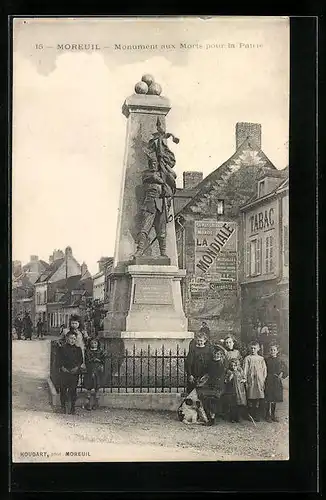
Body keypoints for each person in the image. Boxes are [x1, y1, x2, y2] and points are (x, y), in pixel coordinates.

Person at [196, 344, 227, 425]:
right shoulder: (210, 362)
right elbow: (207, 373)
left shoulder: (222, 363)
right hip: (210, 383)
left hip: (218, 385)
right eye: (215, 353)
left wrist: (219, 345)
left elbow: (221, 374)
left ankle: (212, 418)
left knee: (213, 401)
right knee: (207, 400)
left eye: (218, 354)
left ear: (220, 355)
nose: (216, 355)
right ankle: (209, 418)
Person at [57, 330, 83, 414]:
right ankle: (63, 407)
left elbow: (80, 360)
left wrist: (77, 367)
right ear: (67, 338)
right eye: (71, 338)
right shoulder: (62, 348)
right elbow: (58, 359)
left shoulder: (78, 349)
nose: (72, 340)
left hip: (74, 372)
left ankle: (72, 408)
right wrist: (62, 367)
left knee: (73, 390)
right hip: (64, 372)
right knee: (63, 390)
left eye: (74, 339)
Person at [243, 340, 267, 422]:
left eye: (254, 348)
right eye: (251, 348)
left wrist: (263, 379)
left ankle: (257, 414)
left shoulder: (261, 358)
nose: (253, 350)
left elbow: (264, 370)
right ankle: (251, 414)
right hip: (251, 380)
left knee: (258, 397)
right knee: (251, 396)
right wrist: (245, 379)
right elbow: (245, 369)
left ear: (258, 349)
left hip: (259, 380)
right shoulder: (247, 358)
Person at [264, 343, 288, 422]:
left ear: (277, 351)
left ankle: (273, 415)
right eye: (271, 350)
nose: (272, 351)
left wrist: (282, 373)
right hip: (269, 379)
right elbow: (264, 369)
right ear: (269, 351)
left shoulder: (280, 360)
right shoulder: (266, 360)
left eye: (274, 350)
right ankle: (267, 415)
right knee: (268, 398)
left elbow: (285, 370)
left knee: (274, 398)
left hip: (276, 380)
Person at [83, 337, 106, 410]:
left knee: (97, 386)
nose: (93, 344)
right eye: (92, 343)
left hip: (98, 370)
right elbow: (87, 359)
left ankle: (96, 403)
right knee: (89, 386)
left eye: (95, 343)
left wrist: (98, 360)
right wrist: (93, 359)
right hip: (90, 370)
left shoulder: (100, 351)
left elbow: (103, 360)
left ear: (98, 344)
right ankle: (89, 403)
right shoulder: (87, 351)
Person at [223, 358, 247, 423]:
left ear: (237, 365)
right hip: (232, 390)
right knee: (233, 404)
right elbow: (225, 381)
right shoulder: (229, 372)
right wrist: (229, 378)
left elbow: (244, 378)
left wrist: (243, 380)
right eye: (232, 365)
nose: (233, 367)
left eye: (235, 365)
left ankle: (238, 417)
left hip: (239, 389)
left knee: (239, 403)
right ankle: (232, 418)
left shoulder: (240, 371)